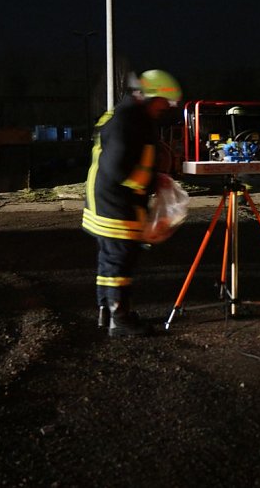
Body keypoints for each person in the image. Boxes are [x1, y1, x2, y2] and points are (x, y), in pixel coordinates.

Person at [81, 69, 182, 336]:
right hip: (115, 204)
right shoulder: (128, 120)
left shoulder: (129, 114)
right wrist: (151, 183)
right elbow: (118, 169)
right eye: (163, 102)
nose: (165, 109)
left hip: (104, 200)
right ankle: (120, 319)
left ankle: (107, 311)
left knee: (109, 259)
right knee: (119, 259)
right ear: (150, 96)